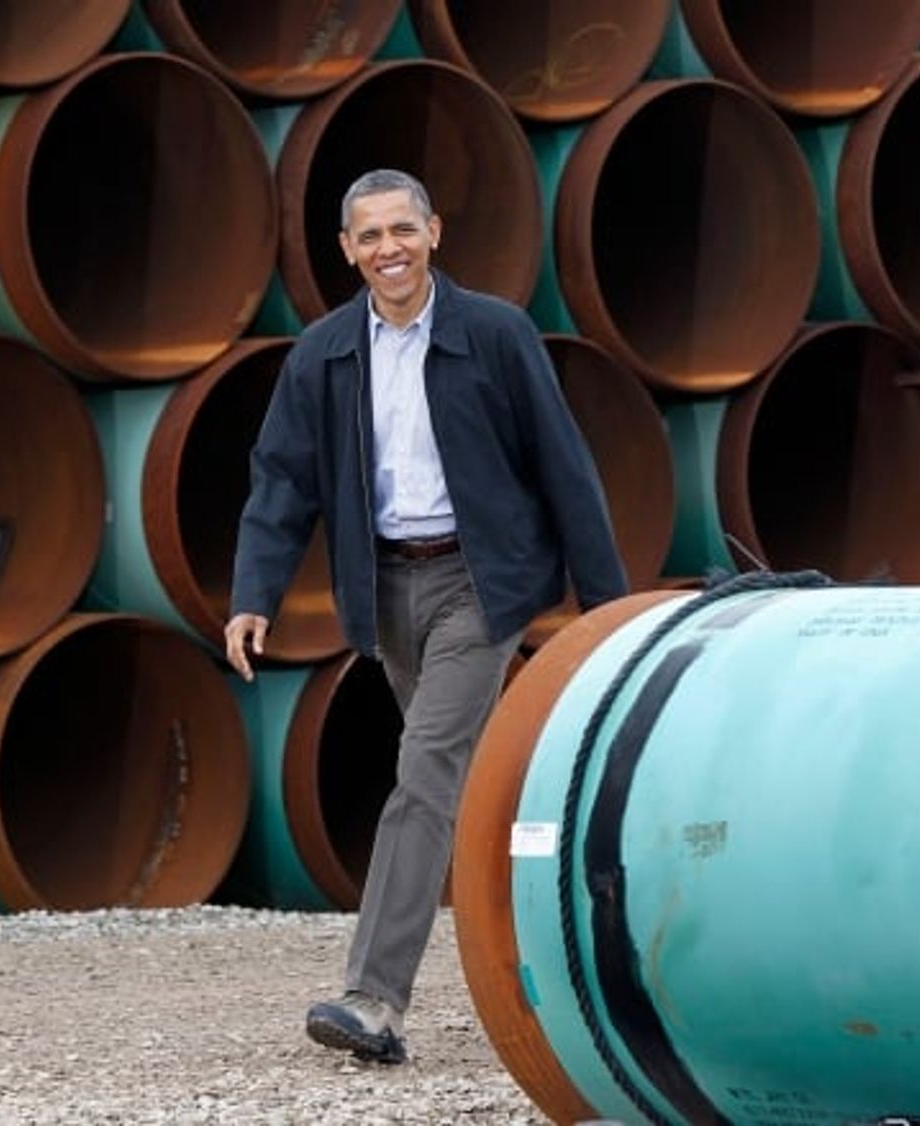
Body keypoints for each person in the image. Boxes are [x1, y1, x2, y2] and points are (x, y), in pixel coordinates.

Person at [226, 168, 627, 1065]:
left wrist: (606, 613)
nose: (388, 249)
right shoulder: (324, 355)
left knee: (423, 775)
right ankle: (596, 932)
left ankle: (373, 997)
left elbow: (564, 465)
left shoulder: (494, 334)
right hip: (385, 593)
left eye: (401, 229)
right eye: (368, 237)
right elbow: (282, 480)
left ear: (434, 231)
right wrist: (254, 594)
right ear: (346, 251)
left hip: (480, 584)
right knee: (485, 788)